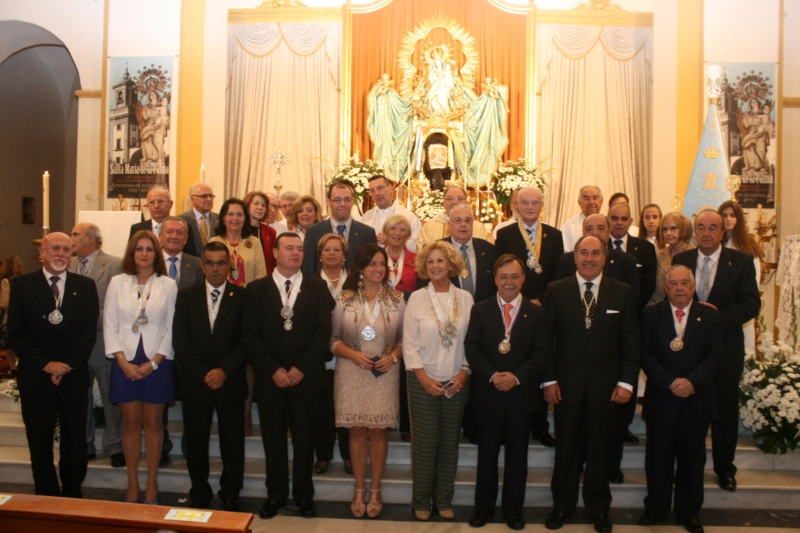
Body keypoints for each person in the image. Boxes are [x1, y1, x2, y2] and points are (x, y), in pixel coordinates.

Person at [541, 235, 640, 533]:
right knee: (566, 449)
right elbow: (545, 342)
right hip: (566, 387)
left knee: (600, 450)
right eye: (583, 252)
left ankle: (598, 508)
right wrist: (548, 380)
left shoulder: (622, 293)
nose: (588, 258)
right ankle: (562, 506)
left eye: (595, 253)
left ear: (604, 257)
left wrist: (626, 383)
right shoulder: (556, 290)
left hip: (607, 389)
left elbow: (631, 344)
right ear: (574, 257)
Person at [242, 233, 335, 519]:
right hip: (271, 381)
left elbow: (323, 334)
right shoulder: (256, 289)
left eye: (299, 249)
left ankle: (304, 496)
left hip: (306, 380)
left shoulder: (318, 288)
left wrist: (299, 369)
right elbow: (250, 336)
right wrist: (273, 370)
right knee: (273, 440)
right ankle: (276, 495)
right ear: (275, 253)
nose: (295, 253)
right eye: (288, 248)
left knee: (305, 440)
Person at [672, 210, 760, 493]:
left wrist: (715, 317)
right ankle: (687, 466)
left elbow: (750, 305)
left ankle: (725, 468)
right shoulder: (682, 260)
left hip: (726, 348)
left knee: (724, 411)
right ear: (695, 231)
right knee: (689, 413)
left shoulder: (742, 262)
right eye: (701, 227)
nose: (706, 233)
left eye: (713, 228)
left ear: (723, 232)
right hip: (690, 350)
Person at [7, 233, 99, 498]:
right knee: (39, 441)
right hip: (36, 377)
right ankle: (45, 494)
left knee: (75, 441)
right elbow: (16, 332)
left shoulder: (85, 285)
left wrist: (66, 365)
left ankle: (72, 492)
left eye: (66, 249)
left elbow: (87, 334)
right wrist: (47, 365)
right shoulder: (23, 285)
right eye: (55, 249)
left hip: (72, 376)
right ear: (43, 253)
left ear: (72, 254)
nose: (60, 254)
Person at [638, 266, 723, 533]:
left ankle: (689, 511)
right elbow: (645, 355)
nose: (679, 288)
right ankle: (656, 507)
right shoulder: (651, 314)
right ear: (665, 288)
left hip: (696, 399)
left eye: (684, 283)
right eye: (673, 283)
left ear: (693, 284)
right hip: (663, 397)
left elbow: (716, 357)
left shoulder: (709, 316)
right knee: (657, 457)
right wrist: (672, 382)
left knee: (693, 458)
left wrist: (691, 382)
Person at [465, 255, 547, 530]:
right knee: (486, 455)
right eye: (504, 277)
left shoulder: (536, 312)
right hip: (489, 394)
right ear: (495, 279)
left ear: (523, 279)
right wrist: (492, 375)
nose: (509, 282)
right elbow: (472, 350)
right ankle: (483, 509)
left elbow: (541, 353)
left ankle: (514, 510)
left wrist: (516, 377)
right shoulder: (480, 309)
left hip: (521, 396)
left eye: (514, 276)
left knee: (517, 456)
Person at [330, 244, 406, 518]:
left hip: (384, 372)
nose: (377, 268)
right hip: (352, 371)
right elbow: (334, 340)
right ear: (360, 268)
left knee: (378, 430)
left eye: (381, 264)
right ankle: (359, 489)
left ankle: (376, 489)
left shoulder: (397, 299)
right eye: (372, 263)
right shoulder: (346, 298)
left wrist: (394, 358)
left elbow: (403, 341)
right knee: (357, 430)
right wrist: (351, 354)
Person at [172, 241, 248, 512]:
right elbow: (180, 341)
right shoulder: (186, 295)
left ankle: (230, 492)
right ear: (202, 266)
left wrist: (223, 371)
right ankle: (199, 491)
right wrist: (205, 373)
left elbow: (245, 341)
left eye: (221, 263)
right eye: (210, 263)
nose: (216, 268)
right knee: (196, 441)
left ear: (230, 266)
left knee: (232, 441)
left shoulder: (241, 297)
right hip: (196, 382)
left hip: (230, 381)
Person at [104, 230, 177, 504]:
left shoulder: (168, 285)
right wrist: (121, 361)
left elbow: (172, 327)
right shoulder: (116, 282)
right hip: (125, 361)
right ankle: (133, 485)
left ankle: (152, 485)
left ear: (155, 255)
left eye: (149, 249)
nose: (144, 253)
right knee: (131, 423)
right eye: (139, 249)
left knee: (154, 423)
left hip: (156, 362)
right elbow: (109, 324)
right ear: (131, 253)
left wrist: (155, 363)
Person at [403, 241, 474, 521]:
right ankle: (421, 500)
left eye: (440, 261)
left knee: (449, 443)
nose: (435, 266)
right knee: (424, 443)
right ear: (424, 266)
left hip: (457, 381)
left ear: (451, 264)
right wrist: (423, 377)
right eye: (430, 261)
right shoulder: (417, 299)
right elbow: (409, 344)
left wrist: (465, 372)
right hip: (423, 381)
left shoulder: (466, 299)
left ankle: (443, 499)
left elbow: (472, 343)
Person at [494, 186, 563, 447]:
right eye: (525, 202)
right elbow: (501, 270)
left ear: (541, 205)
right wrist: (520, 299)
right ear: (516, 206)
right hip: (514, 307)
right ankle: (507, 423)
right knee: (514, 360)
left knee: (540, 363)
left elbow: (559, 272)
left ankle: (541, 426)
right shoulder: (505, 234)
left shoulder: (554, 235)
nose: (530, 207)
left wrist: (540, 299)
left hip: (543, 309)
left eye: (535, 202)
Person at [68, 223, 125, 468]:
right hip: (73, 345)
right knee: (80, 398)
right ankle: (84, 443)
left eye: (75, 234)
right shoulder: (67, 265)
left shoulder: (114, 264)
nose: (71, 238)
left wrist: (89, 317)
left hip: (103, 340)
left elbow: (120, 304)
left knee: (111, 398)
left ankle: (115, 446)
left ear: (92, 238)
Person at [313, 233, 352, 476]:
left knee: (347, 408)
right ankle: (324, 455)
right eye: (327, 249)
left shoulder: (356, 282)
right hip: (319, 356)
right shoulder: (309, 282)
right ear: (320, 256)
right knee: (323, 409)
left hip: (349, 355)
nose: (332, 254)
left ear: (345, 255)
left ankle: (349, 456)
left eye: (337, 250)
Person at [555, 214, 640, 306]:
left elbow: (632, 300)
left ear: (608, 232)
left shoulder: (626, 261)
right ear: (583, 233)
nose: (595, 233)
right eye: (589, 229)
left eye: (600, 228)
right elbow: (559, 296)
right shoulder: (567, 260)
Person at [303, 179, 377, 274]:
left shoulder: (367, 233)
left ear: (352, 201)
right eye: (337, 200)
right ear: (329, 203)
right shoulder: (313, 232)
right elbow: (307, 270)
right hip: (322, 288)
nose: (342, 204)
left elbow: (372, 268)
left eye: (347, 199)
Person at [719, 200, 762, 350]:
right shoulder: (718, 244)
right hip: (721, 308)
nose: (728, 219)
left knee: (745, 349)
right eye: (724, 215)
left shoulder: (748, 245)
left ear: (739, 219)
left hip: (740, 307)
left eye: (732, 215)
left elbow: (754, 280)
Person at [608, 202, 657, 311]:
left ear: (630, 222)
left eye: (624, 219)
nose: (619, 223)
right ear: (608, 220)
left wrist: (632, 308)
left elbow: (648, 285)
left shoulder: (646, 248)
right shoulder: (600, 249)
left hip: (635, 312)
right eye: (614, 218)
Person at [209, 198, 267, 287]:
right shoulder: (214, 242)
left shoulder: (254, 242)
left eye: (239, 214)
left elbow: (261, 275)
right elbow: (210, 273)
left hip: (248, 297)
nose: (235, 218)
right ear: (223, 218)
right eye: (230, 214)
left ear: (245, 218)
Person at [416, 185, 490, 252]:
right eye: (450, 199)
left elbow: (485, 253)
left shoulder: (478, 227)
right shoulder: (429, 227)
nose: (454, 202)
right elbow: (422, 254)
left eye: (459, 199)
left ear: (467, 202)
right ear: (443, 203)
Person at [130, 186, 198, 257]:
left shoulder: (184, 227)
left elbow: (189, 257)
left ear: (171, 204)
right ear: (147, 206)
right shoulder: (137, 229)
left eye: (161, 201)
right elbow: (131, 255)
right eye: (152, 202)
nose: (156, 206)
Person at [360, 174, 422, 251]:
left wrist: (390, 240)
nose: (376, 193)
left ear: (390, 188)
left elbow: (418, 246)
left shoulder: (409, 217)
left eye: (380, 188)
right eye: (372, 190)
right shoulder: (366, 218)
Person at [649, 212, 694, 305]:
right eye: (665, 229)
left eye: (673, 228)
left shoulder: (695, 254)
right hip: (659, 309)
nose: (668, 233)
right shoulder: (657, 256)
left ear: (684, 229)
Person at [160, 217, 204, 290]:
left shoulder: (197, 265)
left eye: (179, 233)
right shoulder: (151, 263)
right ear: (160, 236)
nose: (174, 236)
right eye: (169, 232)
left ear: (186, 239)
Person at [382, 214, 418, 298]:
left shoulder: (417, 260)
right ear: (385, 232)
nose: (397, 233)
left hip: (409, 308)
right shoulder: (374, 258)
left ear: (408, 236)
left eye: (402, 230)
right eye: (393, 228)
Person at [0, 255, 25, 375]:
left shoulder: (6, 281)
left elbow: (4, 303)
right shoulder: (26, 280)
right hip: (24, 318)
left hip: (9, 319)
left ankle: (14, 371)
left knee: (9, 348)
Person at [560, 185, 603, 252]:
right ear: (579, 202)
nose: (591, 202)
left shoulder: (607, 224)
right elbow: (566, 254)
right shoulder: (569, 226)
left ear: (601, 201)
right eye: (587, 199)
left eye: (595, 198)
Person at [179, 182, 219, 254]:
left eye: (211, 196)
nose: (209, 199)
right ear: (192, 199)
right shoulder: (181, 220)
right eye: (204, 196)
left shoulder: (220, 219)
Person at [243, 191, 277, 275]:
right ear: (247, 206)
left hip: (264, 278)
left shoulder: (270, 232)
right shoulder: (238, 229)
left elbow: (272, 261)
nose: (260, 207)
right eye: (256, 203)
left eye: (263, 205)